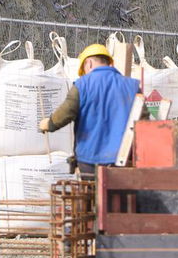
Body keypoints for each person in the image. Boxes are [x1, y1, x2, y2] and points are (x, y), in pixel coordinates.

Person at [39, 43, 141, 177]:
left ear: (89, 63)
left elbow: (67, 112)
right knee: (121, 197)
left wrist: (49, 123)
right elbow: (143, 121)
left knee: (92, 195)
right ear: (108, 63)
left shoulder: (82, 84)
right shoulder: (132, 86)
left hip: (90, 159)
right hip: (124, 159)